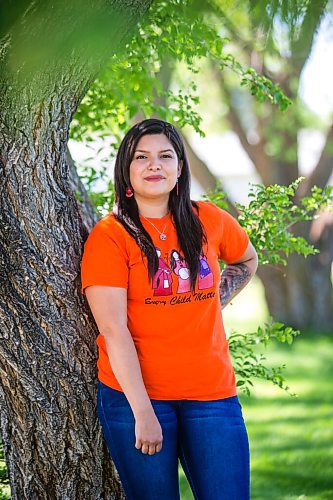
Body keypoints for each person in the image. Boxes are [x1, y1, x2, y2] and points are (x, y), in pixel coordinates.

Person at [80, 118, 258, 500]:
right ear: (126, 171)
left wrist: (213, 302)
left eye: (165, 156)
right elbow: (114, 331)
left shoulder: (208, 219)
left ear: (180, 168)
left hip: (213, 395)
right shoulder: (110, 237)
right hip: (138, 399)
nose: (154, 165)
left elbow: (246, 261)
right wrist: (143, 412)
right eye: (141, 157)